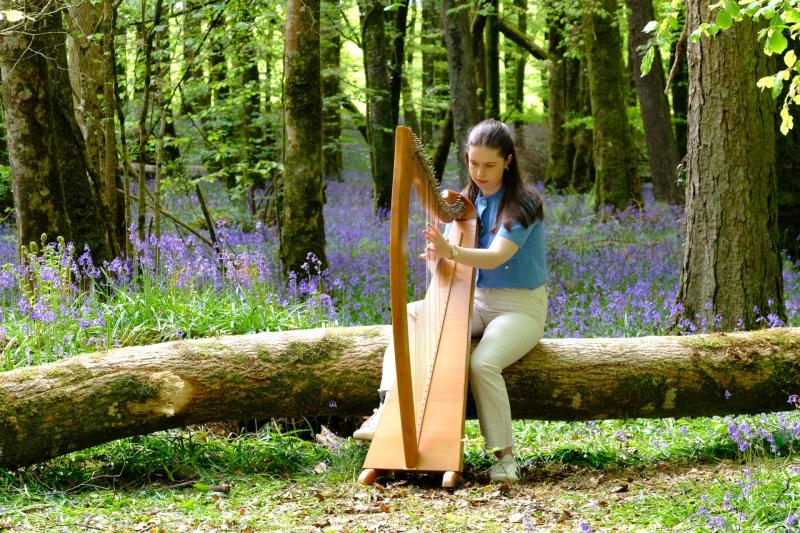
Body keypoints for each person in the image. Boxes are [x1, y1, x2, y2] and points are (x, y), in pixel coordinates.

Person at [353, 119, 548, 484]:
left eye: (489, 165)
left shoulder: (525, 203)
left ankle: (504, 457)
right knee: (410, 314)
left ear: (507, 161)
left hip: (518, 306)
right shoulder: (461, 203)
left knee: (483, 363)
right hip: (474, 300)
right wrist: (438, 259)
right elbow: (448, 264)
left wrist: (452, 250)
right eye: (473, 164)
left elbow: (495, 256)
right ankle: (384, 407)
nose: (479, 172)